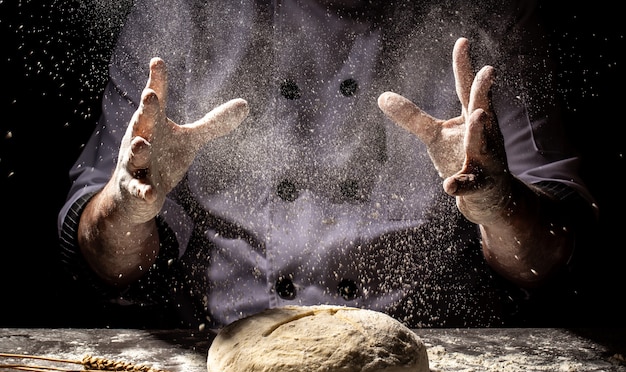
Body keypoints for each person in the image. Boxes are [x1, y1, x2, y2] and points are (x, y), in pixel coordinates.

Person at [58, 0, 597, 329]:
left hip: (444, 359)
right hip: (227, 355)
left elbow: (553, 256)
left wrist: (500, 206)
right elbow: (104, 259)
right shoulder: (177, 14)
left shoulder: (490, 15)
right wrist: (127, 208)